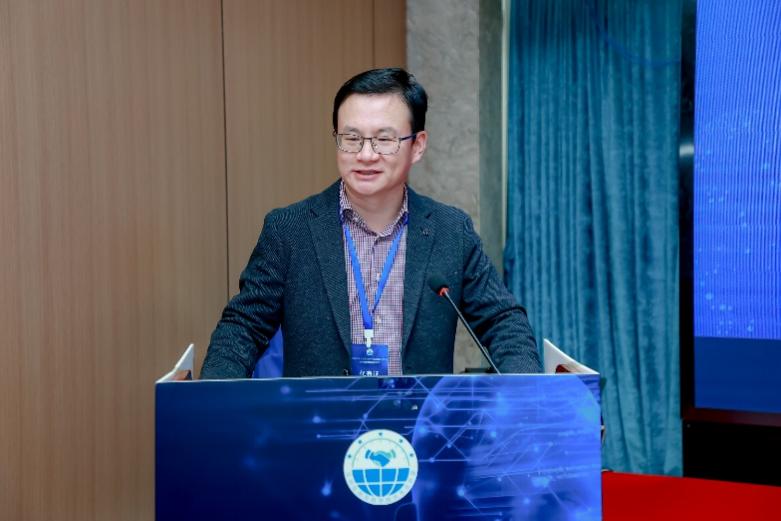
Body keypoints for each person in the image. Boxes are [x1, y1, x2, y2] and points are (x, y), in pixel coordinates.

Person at [200, 68, 540, 379]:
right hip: (321, 421)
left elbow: (502, 321)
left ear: (417, 145)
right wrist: (213, 397)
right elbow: (243, 328)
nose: (365, 155)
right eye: (351, 138)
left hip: (417, 422)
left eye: (384, 139)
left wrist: (528, 392)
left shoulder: (451, 231)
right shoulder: (289, 230)